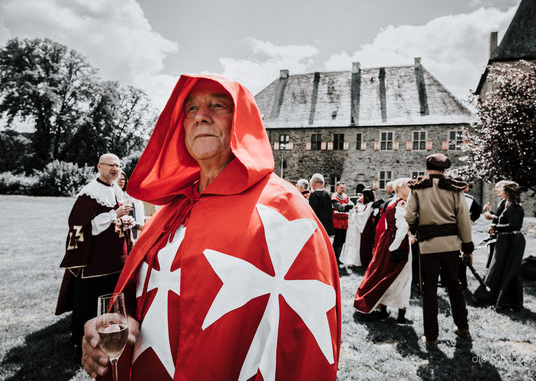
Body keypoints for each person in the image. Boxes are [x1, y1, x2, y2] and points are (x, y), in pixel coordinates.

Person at [81, 76, 341, 380]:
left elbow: (305, 334)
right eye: (190, 109)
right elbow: (145, 297)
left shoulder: (283, 210)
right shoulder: (173, 209)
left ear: (242, 122)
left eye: (217, 105)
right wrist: (118, 324)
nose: (201, 115)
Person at [55, 153, 132, 358]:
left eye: (117, 165)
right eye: (110, 165)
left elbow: (116, 220)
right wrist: (115, 215)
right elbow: (82, 226)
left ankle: (109, 339)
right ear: (99, 166)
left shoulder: (116, 190)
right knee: (89, 303)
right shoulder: (89, 193)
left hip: (116, 259)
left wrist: (125, 222)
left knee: (111, 303)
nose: (115, 169)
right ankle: (81, 343)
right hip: (95, 263)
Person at [405, 154, 474, 347]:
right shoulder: (454, 188)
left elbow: (409, 214)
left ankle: (431, 337)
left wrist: (415, 226)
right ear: (445, 170)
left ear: (427, 168)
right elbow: (463, 218)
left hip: (428, 246)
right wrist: (467, 245)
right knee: (455, 286)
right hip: (451, 245)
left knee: (430, 290)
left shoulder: (417, 188)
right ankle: (463, 327)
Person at [354, 179, 413, 324]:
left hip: (386, 241)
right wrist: (395, 246)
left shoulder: (392, 202)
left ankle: (384, 309)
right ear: (401, 188)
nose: (411, 189)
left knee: (384, 274)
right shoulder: (401, 204)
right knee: (402, 279)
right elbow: (402, 229)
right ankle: (401, 314)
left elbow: (388, 224)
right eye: (408, 187)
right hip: (397, 244)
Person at [473, 182, 526, 311]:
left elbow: (515, 226)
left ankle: (506, 301)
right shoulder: (506, 204)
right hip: (505, 239)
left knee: (509, 269)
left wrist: (495, 227)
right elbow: (504, 220)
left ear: (508, 192)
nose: (500, 192)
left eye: (502, 190)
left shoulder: (514, 207)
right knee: (497, 267)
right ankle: (489, 296)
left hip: (513, 241)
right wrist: (492, 218)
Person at [339, 189, 375, 267]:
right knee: (358, 243)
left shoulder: (371, 204)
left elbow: (365, 214)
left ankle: (364, 260)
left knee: (364, 243)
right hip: (363, 224)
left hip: (366, 225)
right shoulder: (368, 204)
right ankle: (358, 259)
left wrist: (358, 213)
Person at [482, 180, 509, 268]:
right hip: (495, 231)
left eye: (498, 187)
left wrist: (492, 217)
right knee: (491, 255)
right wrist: (489, 212)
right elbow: (500, 217)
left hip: (499, 233)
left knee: (496, 257)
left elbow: (505, 220)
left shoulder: (507, 202)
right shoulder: (503, 201)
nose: (495, 190)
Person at [117, 170, 146, 245]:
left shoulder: (130, 198)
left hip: (136, 235)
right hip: (124, 235)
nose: (120, 181)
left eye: (123, 179)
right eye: (118, 178)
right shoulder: (118, 199)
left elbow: (136, 216)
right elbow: (125, 220)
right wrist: (144, 228)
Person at [331, 181, 354, 262]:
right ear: (337, 187)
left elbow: (352, 205)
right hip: (337, 221)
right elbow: (339, 207)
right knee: (337, 240)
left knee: (342, 241)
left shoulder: (346, 197)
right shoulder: (334, 197)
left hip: (344, 222)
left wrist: (346, 206)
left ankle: (338, 258)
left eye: (344, 188)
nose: (343, 189)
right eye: (341, 188)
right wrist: (345, 206)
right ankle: (334, 258)